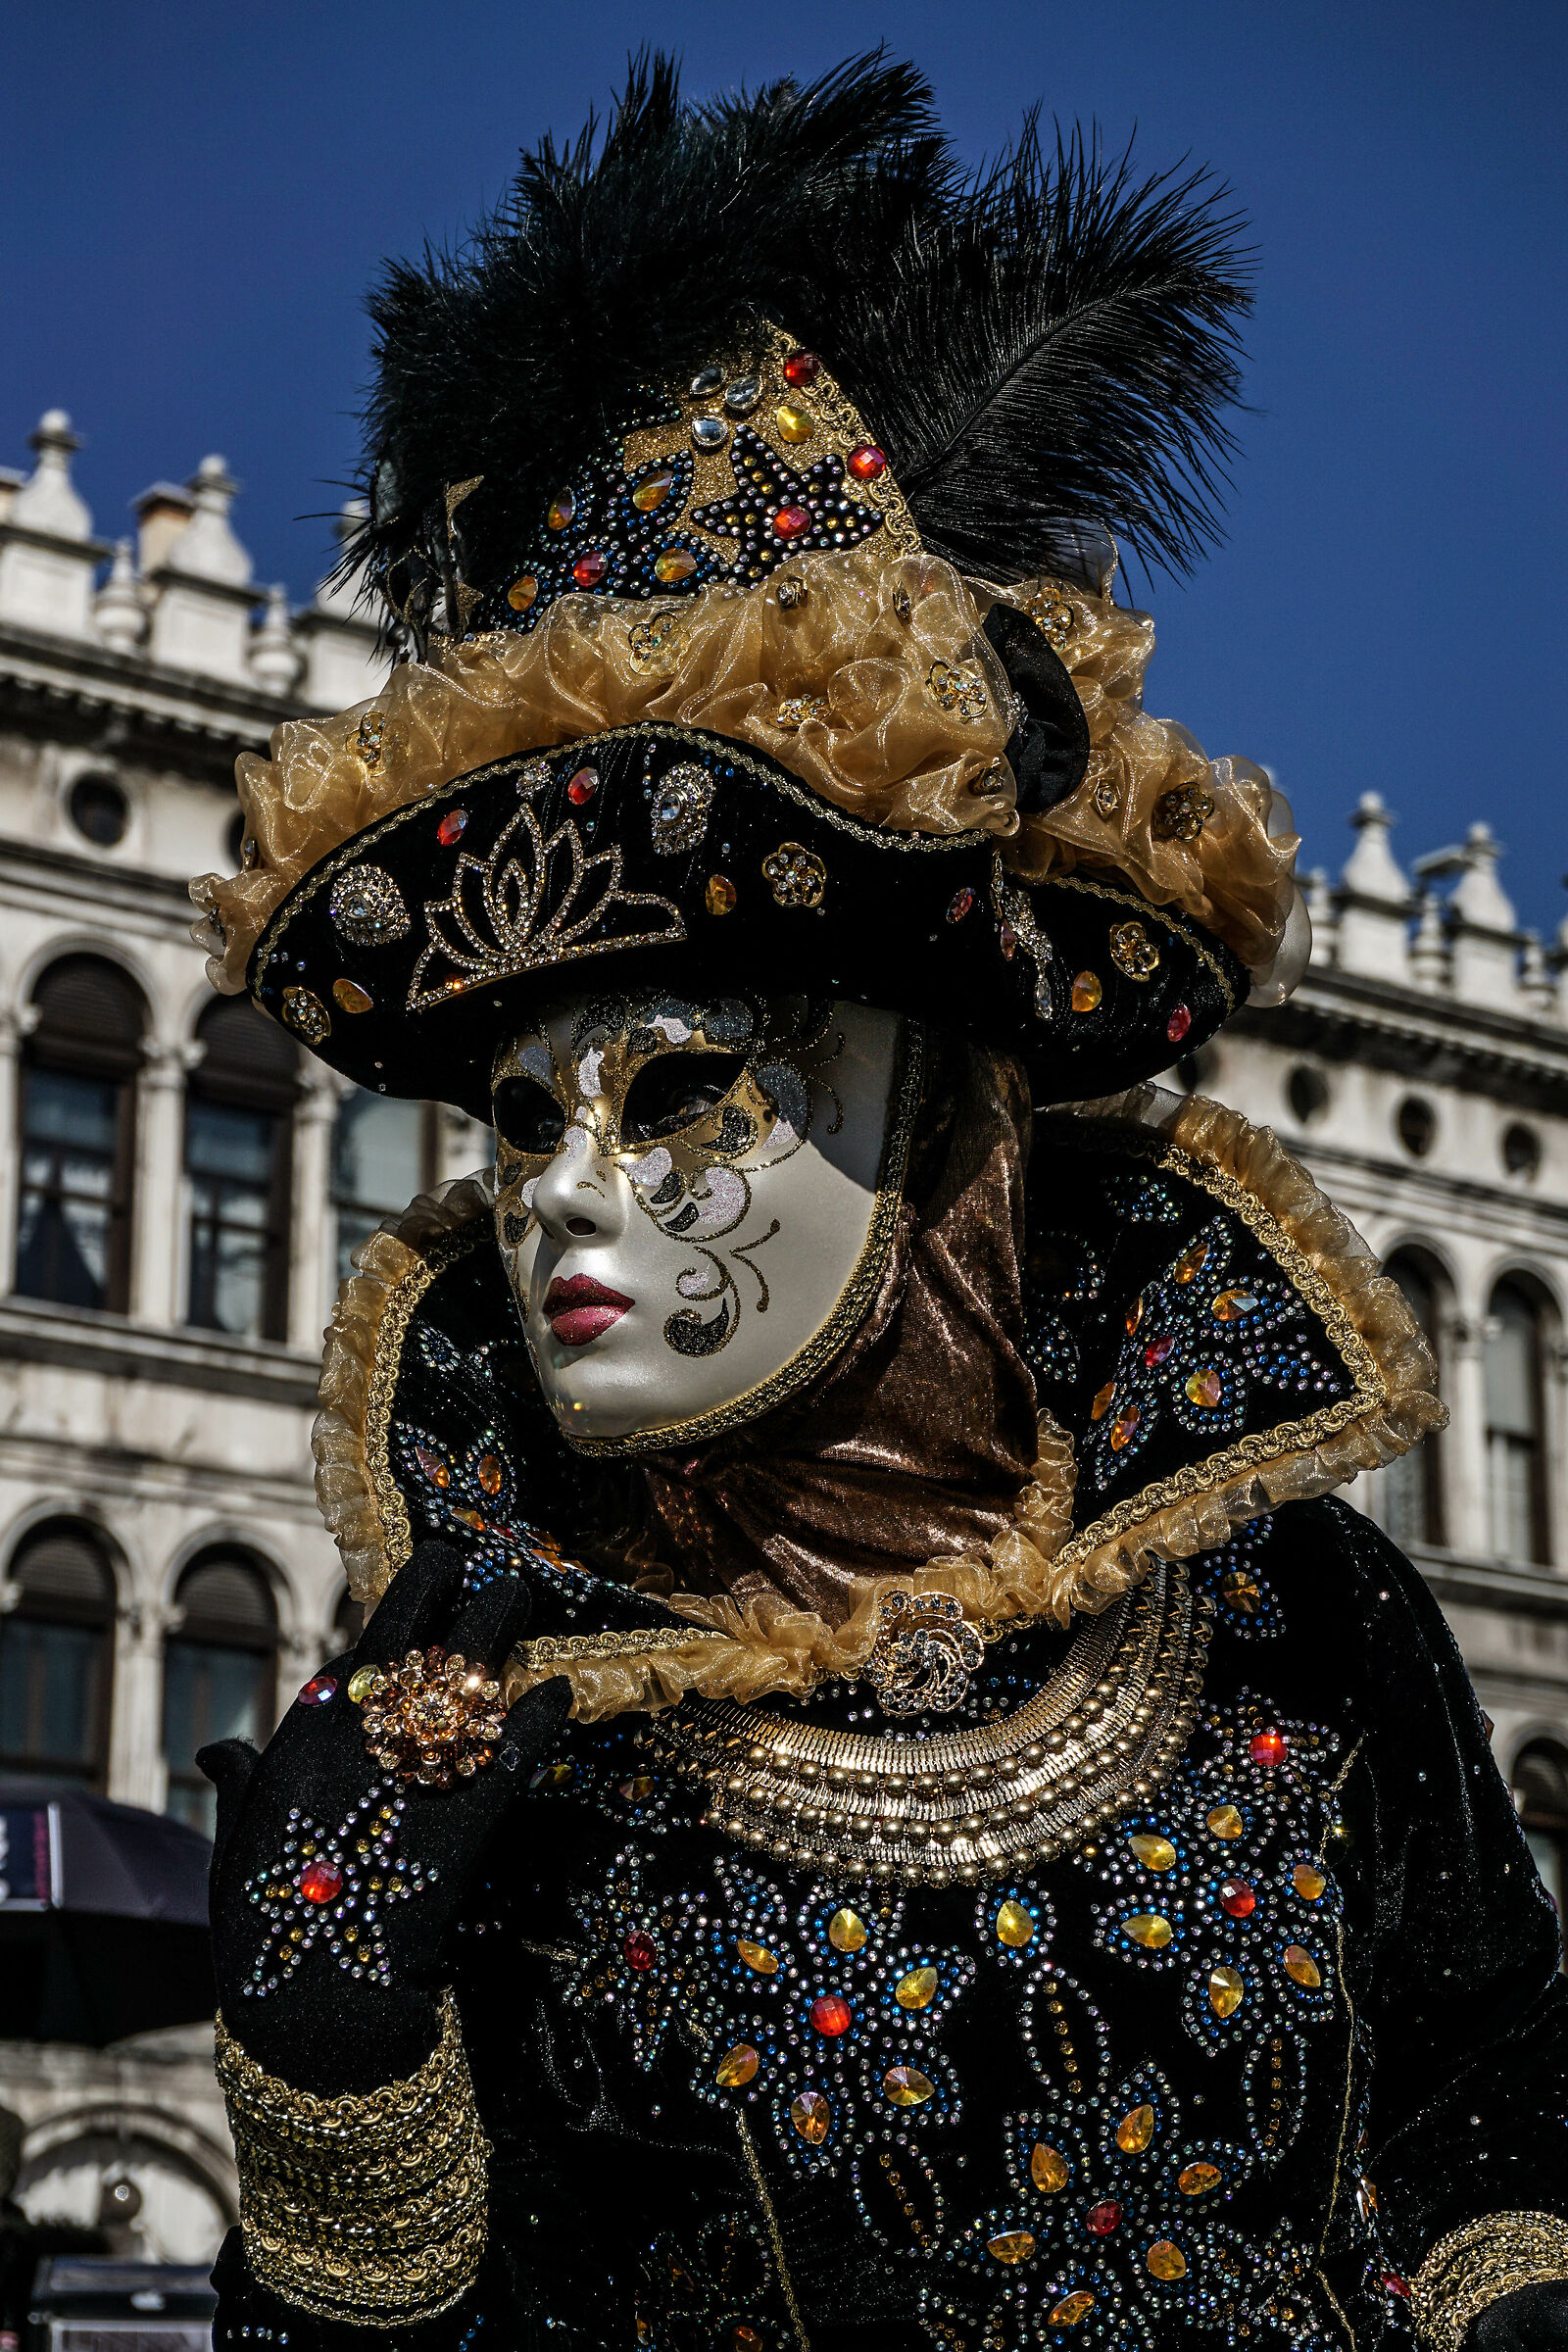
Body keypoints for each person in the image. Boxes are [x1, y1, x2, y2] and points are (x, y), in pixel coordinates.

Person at [189, 57, 1568, 2352]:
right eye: (522, 1128)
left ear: (950, 1130)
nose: (569, 1201)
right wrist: (340, 2085)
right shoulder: (491, 1728)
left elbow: (1486, 2090)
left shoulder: (1295, 1622)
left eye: (685, 1091)